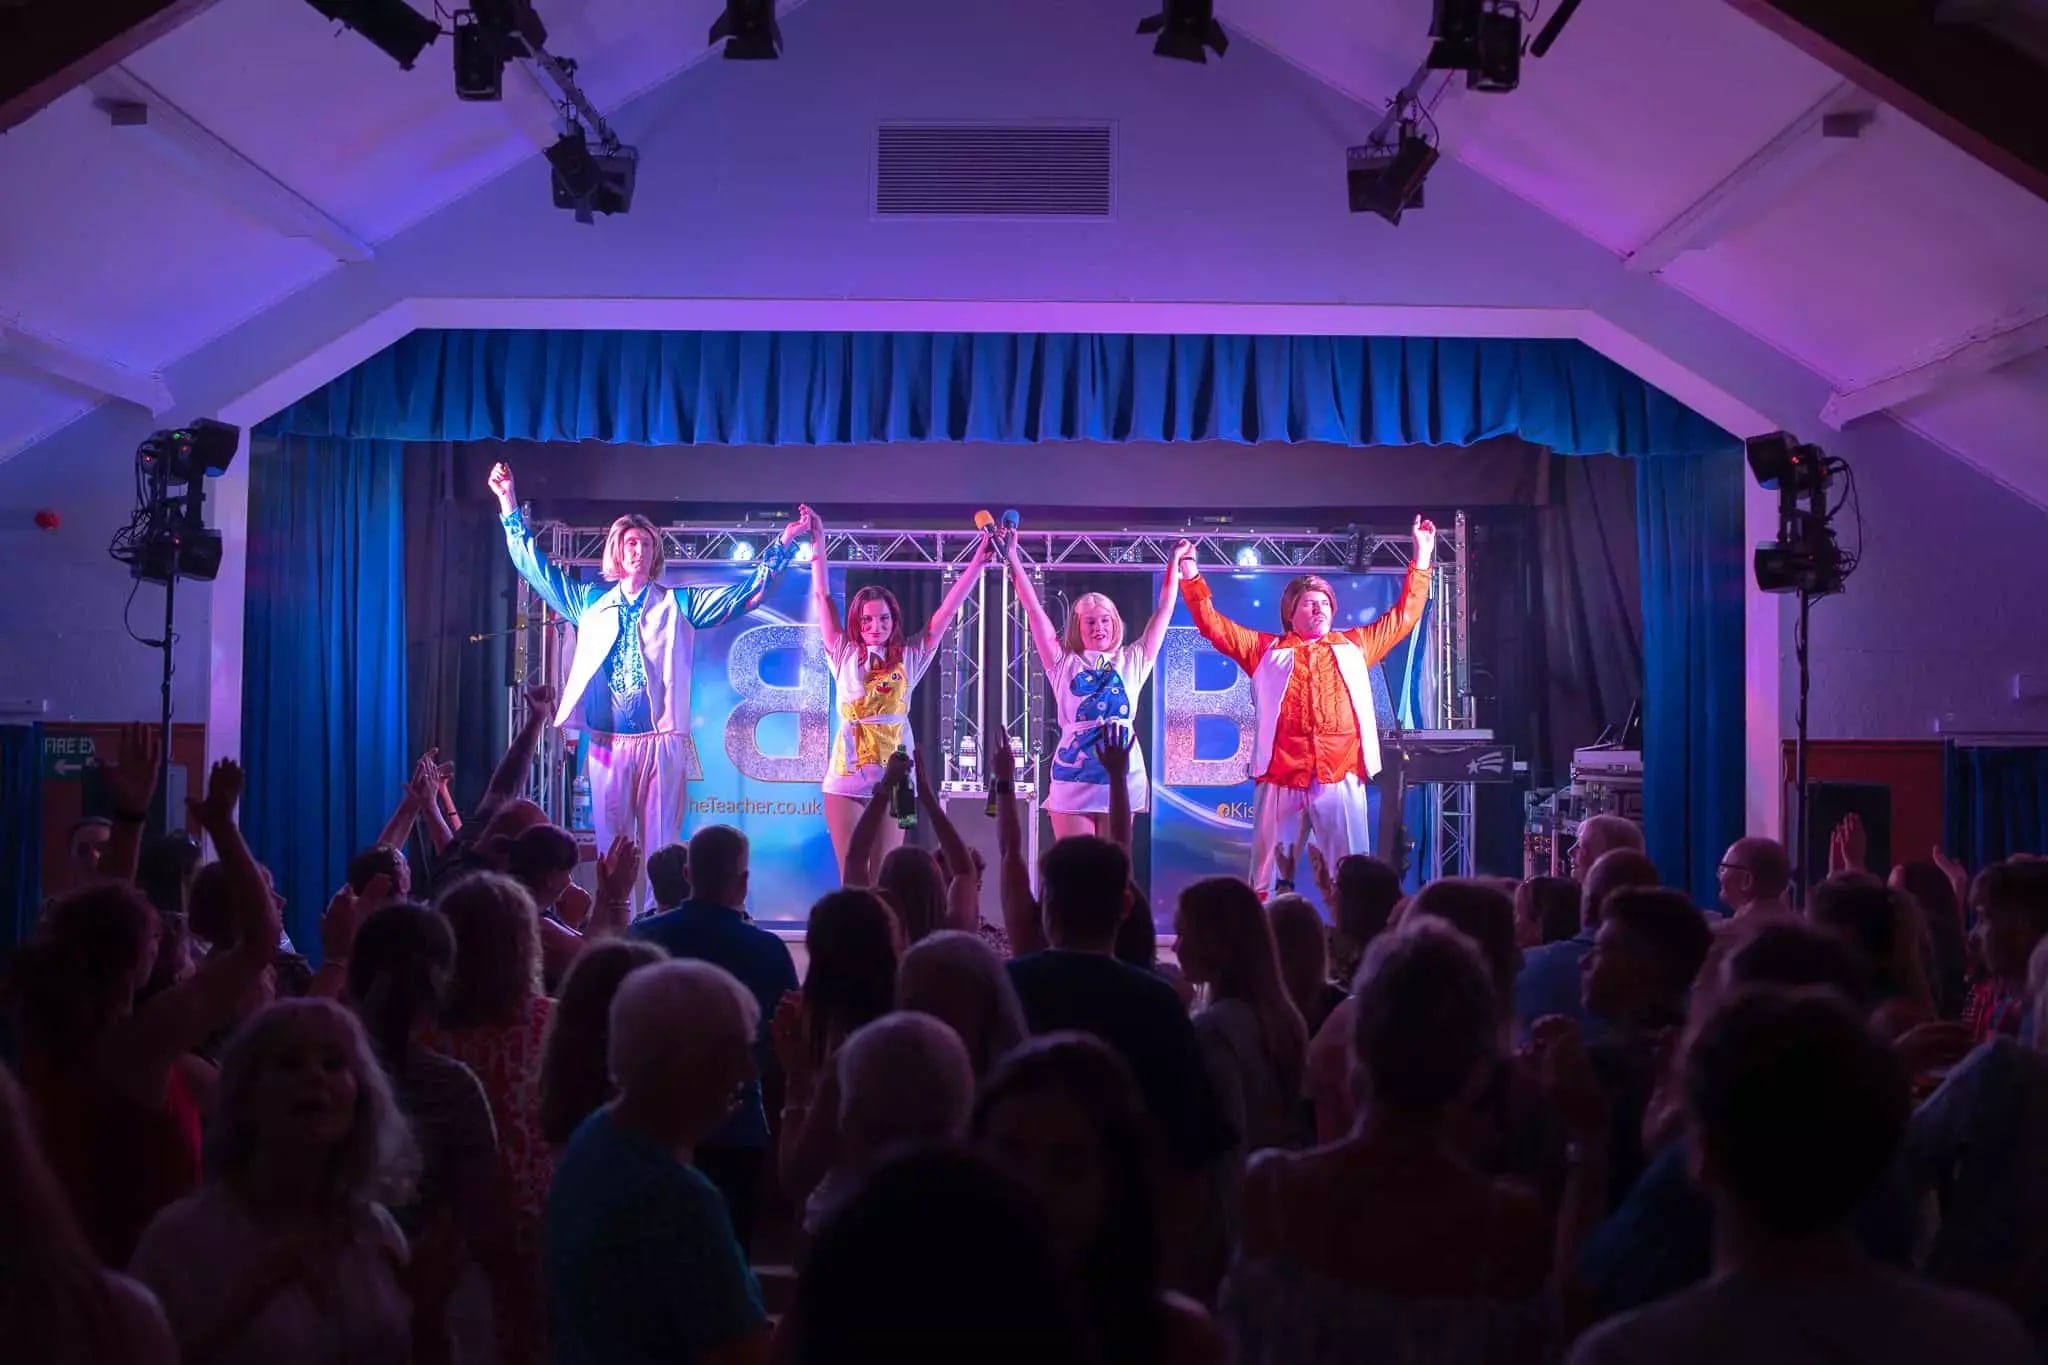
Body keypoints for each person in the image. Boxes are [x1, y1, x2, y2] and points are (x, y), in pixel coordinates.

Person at [1568, 988, 2036, 1365]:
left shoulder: (1626, 1352)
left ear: (1701, 1156)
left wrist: (1588, 1145)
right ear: (1878, 1152)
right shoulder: (1985, 1343)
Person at [487, 462, 804, 908]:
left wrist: (783, 545)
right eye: (631, 543)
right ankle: (616, 918)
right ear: (618, 551)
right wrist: (508, 503)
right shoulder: (590, 601)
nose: (638, 550)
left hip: (662, 740)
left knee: (662, 845)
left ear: (655, 553)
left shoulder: (676, 604)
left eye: (646, 543)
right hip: (607, 740)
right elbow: (535, 569)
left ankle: (662, 919)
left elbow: (745, 594)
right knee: (612, 845)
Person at [1171, 520, 1434, 895]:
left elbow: (1404, 616)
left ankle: (1356, 927)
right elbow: (1213, 624)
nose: (1319, 609)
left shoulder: (1355, 645)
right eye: (1310, 603)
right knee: (1266, 877)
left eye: (1325, 603)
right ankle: (1265, 927)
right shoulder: (1265, 650)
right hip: (1282, 774)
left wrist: (1422, 556)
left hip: (1339, 772)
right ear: (1290, 612)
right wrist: (1189, 570)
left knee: (1354, 875)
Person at [545, 960, 772, 1365]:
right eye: (733, 1053)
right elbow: (744, 1354)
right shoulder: (679, 1198)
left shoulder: (595, 1135)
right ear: (684, 1062)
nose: (748, 1071)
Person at [630, 824, 799, 1255]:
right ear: (743, 881)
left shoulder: (643, 939)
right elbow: (785, 1038)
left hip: (652, 1123)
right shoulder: (768, 951)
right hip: (738, 1127)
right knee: (728, 1254)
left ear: (687, 874)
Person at [800, 505, 992, 870]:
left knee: (888, 872)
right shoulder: (843, 653)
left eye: (884, 618)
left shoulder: (910, 656)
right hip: (846, 777)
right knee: (853, 874)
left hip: (899, 780)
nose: (876, 626)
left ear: (894, 619)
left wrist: (977, 565)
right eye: (868, 619)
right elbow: (822, 597)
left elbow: (945, 614)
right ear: (857, 622)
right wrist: (818, 538)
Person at [1004, 532, 1181, 838]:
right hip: (1074, 774)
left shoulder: (1133, 659)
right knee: (1075, 862)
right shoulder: (1064, 662)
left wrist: (1174, 562)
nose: (1099, 627)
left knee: (1113, 861)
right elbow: (1033, 611)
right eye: (1090, 621)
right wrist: (1013, 559)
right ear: (1078, 626)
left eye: (1105, 620)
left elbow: (1165, 609)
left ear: (1115, 623)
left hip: (1121, 772)